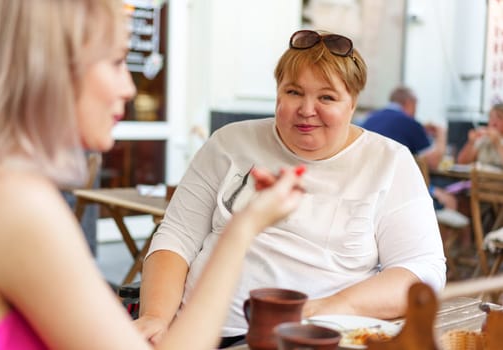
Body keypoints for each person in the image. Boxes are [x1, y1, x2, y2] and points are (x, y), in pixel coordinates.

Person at [0, 1, 305, 349]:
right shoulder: (14, 201)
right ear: (49, 67)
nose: (130, 88)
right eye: (117, 61)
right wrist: (244, 226)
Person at [136, 29, 446, 347]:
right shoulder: (230, 142)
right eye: (294, 92)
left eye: (326, 97)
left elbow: (422, 269)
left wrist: (317, 311)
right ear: (278, 93)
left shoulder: (389, 161)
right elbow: (176, 237)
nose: (307, 109)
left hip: (317, 339)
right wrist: (156, 316)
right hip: (199, 334)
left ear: (352, 103)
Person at [361, 86, 447, 171]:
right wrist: (441, 132)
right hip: (395, 179)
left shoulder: (370, 118)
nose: (415, 111)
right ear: (409, 103)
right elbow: (433, 163)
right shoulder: (410, 123)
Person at [457, 103, 503, 169]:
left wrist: (497, 143)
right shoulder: (484, 139)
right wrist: (471, 142)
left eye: (499, 117)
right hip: (480, 177)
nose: (494, 121)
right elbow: (462, 163)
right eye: (491, 117)